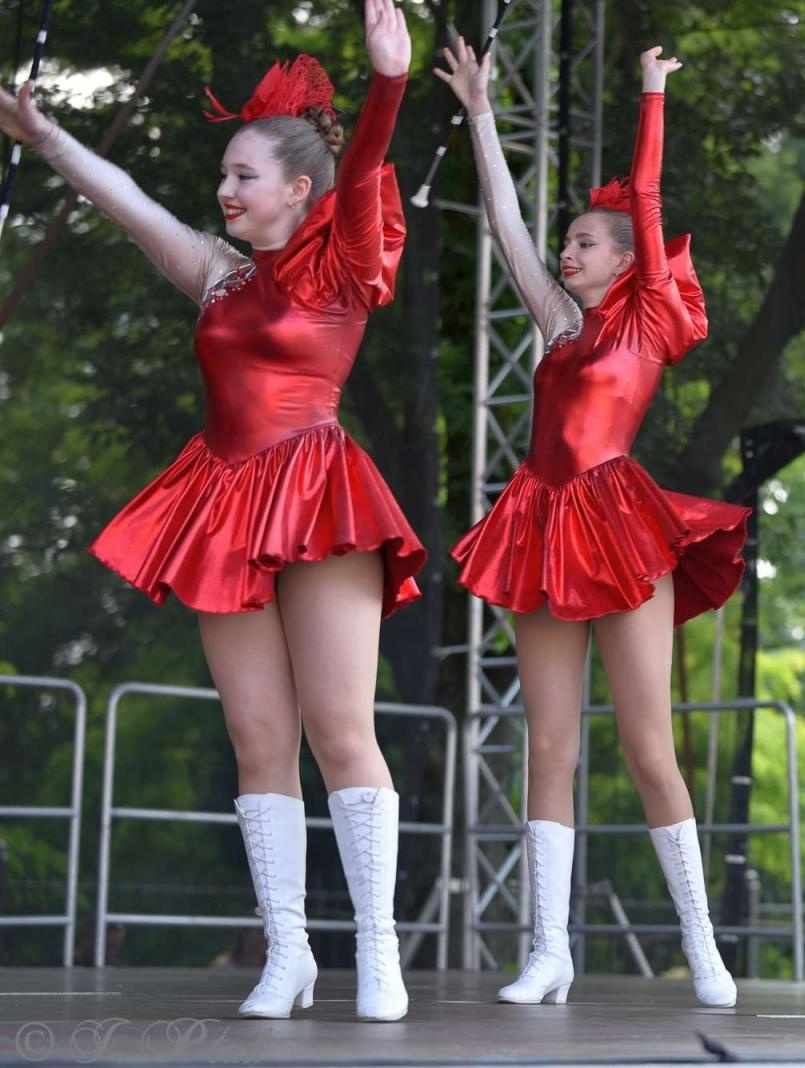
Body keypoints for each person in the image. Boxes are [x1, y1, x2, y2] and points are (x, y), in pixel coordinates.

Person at [0, 0, 419, 1022]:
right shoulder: (220, 278)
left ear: (297, 190)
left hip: (316, 492)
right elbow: (128, 201)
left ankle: (378, 950)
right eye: (224, 176)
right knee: (257, 736)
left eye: (242, 176)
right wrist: (46, 135)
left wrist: (390, 82)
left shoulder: (342, 263)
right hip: (225, 502)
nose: (223, 190)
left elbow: (365, 164)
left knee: (339, 729)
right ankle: (288, 951)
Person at [435, 40, 748, 1008]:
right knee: (549, 746)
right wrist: (483, 114)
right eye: (566, 242)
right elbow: (503, 221)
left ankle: (702, 944)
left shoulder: (646, 316)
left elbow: (647, 200)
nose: (566, 253)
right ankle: (549, 951)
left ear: (624, 259)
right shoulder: (560, 326)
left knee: (649, 746)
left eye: (584, 243)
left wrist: (651, 94)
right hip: (539, 522)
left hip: (619, 522)